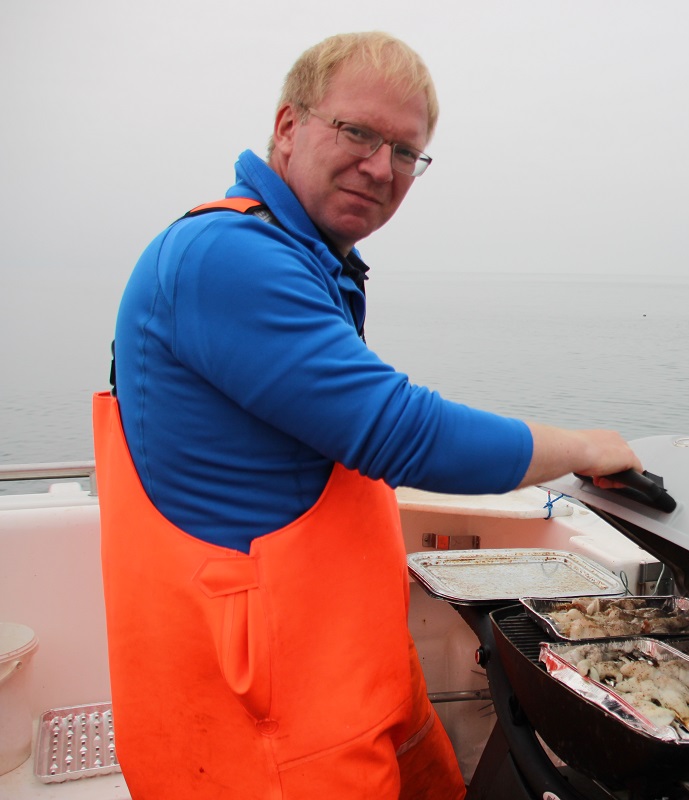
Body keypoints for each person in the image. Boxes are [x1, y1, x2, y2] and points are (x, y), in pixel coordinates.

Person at [92, 31, 641, 800]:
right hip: (266, 722)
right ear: (288, 126)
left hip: (346, 672)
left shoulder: (306, 259)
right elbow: (403, 433)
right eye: (357, 132)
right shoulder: (227, 256)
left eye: (406, 151)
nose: (381, 167)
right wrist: (582, 445)